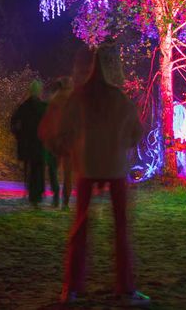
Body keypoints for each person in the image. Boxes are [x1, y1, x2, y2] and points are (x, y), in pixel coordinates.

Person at [59, 44, 150, 307]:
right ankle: (125, 286)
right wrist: (119, 144)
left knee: (80, 228)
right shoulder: (121, 100)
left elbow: (65, 131)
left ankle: (72, 288)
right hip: (115, 167)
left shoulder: (79, 97)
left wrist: (75, 149)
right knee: (121, 228)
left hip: (87, 167)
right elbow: (136, 134)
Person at [11, 79, 47, 206]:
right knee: (38, 167)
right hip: (40, 142)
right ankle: (37, 193)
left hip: (27, 142)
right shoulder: (43, 107)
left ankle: (32, 193)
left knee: (30, 167)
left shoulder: (23, 106)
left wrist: (18, 135)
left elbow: (13, 122)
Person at [39, 77, 71, 208]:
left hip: (55, 139)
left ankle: (56, 194)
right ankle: (66, 199)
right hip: (69, 139)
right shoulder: (73, 101)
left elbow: (48, 121)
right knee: (68, 171)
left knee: (53, 169)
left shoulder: (54, 101)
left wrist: (46, 136)